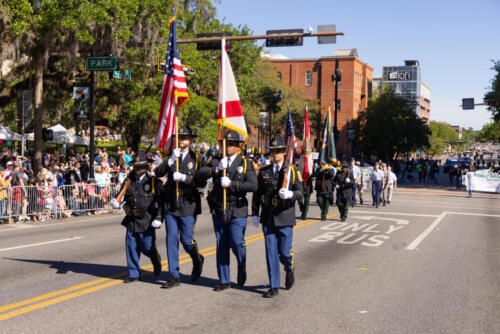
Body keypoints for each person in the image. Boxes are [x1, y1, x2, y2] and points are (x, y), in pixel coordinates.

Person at [197, 129, 257, 292]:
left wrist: (232, 184)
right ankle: (224, 279)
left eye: (231, 144)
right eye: (225, 144)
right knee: (221, 243)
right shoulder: (217, 160)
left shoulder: (245, 163)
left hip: (237, 209)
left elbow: (253, 185)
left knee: (237, 242)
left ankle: (241, 264)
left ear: (238, 146)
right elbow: (199, 175)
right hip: (220, 208)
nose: (228, 147)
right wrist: (215, 170)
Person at [251, 136, 304, 298]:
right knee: (271, 252)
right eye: (273, 151)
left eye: (278, 151)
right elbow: (257, 194)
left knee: (284, 252)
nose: (275, 154)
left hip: (285, 216)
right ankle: (274, 285)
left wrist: (290, 194)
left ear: (284, 152)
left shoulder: (292, 170)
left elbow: (302, 193)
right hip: (268, 216)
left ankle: (289, 267)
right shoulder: (265, 171)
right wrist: (254, 212)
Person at [155, 126, 205, 289]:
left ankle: (197, 259)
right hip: (170, 204)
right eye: (179, 137)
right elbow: (157, 173)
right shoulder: (172, 156)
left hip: (188, 204)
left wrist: (185, 178)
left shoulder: (197, 158)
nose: (181, 139)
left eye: (185, 137)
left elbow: (202, 182)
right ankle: (173, 275)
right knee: (171, 239)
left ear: (191, 140)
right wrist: (169, 161)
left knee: (186, 240)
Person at [112, 153, 163, 283]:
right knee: (131, 246)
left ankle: (155, 259)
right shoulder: (129, 181)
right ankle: (133, 273)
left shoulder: (153, 182)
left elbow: (160, 201)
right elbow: (122, 194)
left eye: (140, 167)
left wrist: (158, 217)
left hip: (146, 219)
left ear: (146, 167)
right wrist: (117, 202)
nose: (137, 170)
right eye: (136, 167)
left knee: (147, 247)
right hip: (131, 219)